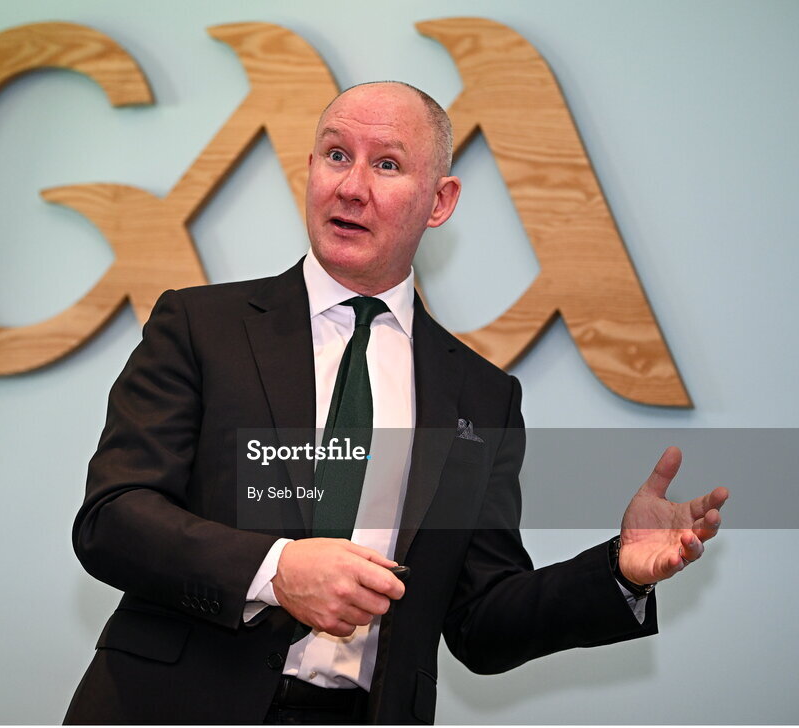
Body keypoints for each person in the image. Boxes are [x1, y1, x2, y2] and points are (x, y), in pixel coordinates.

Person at [63, 82, 728, 725]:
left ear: (440, 202)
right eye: (336, 155)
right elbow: (113, 518)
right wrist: (275, 571)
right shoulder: (202, 325)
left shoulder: (482, 396)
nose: (351, 186)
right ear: (310, 170)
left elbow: (481, 620)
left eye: (386, 164)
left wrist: (619, 572)